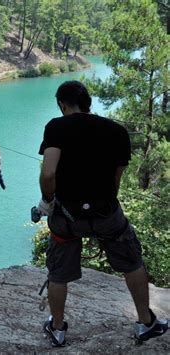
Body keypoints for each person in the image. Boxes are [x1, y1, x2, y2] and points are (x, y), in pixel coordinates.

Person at [36, 80, 167, 347]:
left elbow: (48, 173)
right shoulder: (117, 131)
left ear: (62, 104)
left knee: (58, 273)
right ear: (88, 103)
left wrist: (47, 201)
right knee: (132, 263)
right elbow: (116, 180)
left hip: (66, 218)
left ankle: (58, 329)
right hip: (107, 214)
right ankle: (145, 322)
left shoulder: (56, 127)